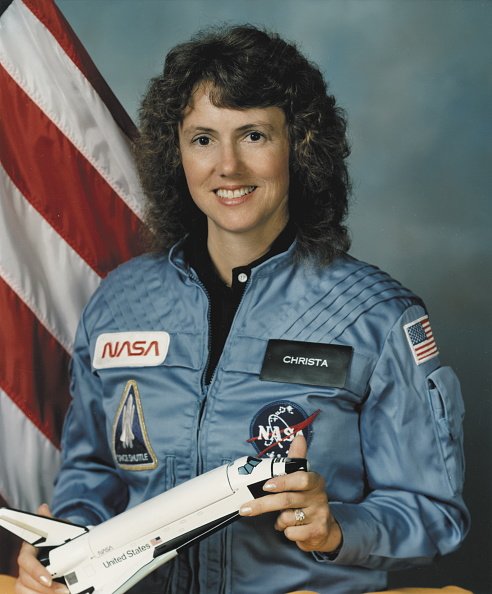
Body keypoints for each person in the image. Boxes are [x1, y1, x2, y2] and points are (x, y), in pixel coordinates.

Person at [16, 24, 469, 594]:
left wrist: (335, 529)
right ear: (175, 151)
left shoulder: (375, 316)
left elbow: (435, 513)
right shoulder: (120, 303)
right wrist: (66, 543)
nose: (227, 166)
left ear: (300, 146)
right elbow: (94, 477)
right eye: (203, 139)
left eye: (253, 135)